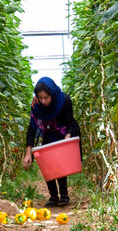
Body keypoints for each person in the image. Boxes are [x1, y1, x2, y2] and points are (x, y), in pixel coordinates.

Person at [23, 76, 80, 207]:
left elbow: (70, 121)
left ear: (52, 95)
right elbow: (31, 128)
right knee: (48, 165)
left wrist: (68, 135)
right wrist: (28, 153)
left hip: (62, 134)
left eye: (46, 98)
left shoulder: (63, 100)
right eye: (40, 98)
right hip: (47, 134)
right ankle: (53, 196)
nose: (43, 101)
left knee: (60, 164)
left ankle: (64, 195)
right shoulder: (35, 105)